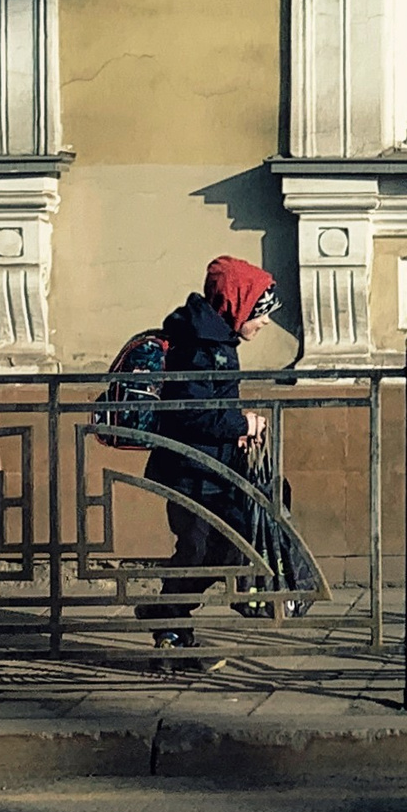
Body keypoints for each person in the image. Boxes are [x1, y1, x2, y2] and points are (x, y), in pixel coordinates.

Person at [135, 255, 285, 656]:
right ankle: (170, 631)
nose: (265, 321)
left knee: (221, 548)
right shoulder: (204, 347)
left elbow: (206, 407)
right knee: (199, 551)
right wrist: (241, 426)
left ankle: (165, 611)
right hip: (190, 472)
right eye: (261, 311)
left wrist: (236, 425)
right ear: (237, 304)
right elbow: (193, 413)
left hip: (208, 468)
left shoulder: (214, 341)